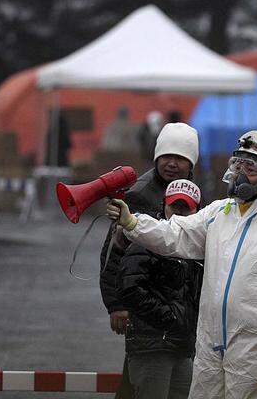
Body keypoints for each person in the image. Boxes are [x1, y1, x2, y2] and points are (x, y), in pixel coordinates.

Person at [107, 130, 257, 399]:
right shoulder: (220, 213)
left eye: (252, 167)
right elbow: (176, 234)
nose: (241, 174)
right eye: (238, 165)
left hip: (254, 346)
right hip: (210, 343)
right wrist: (134, 223)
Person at [99, 122, 199, 398]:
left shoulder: (189, 192)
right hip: (147, 313)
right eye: (166, 156)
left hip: (175, 320)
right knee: (141, 374)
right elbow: (114, 252)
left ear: (191, 164)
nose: (172, 163)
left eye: (180, 158)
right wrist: (116, 304)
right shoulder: (139, 195)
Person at [118, 179, 203, 399]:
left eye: (186, 207)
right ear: (164, 205)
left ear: (198, 211)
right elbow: (129, 287)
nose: (179, 213)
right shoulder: (145, 239)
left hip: (183, 347)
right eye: (175, 206)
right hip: (152, 347)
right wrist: (169, 319)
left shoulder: (200, 247)